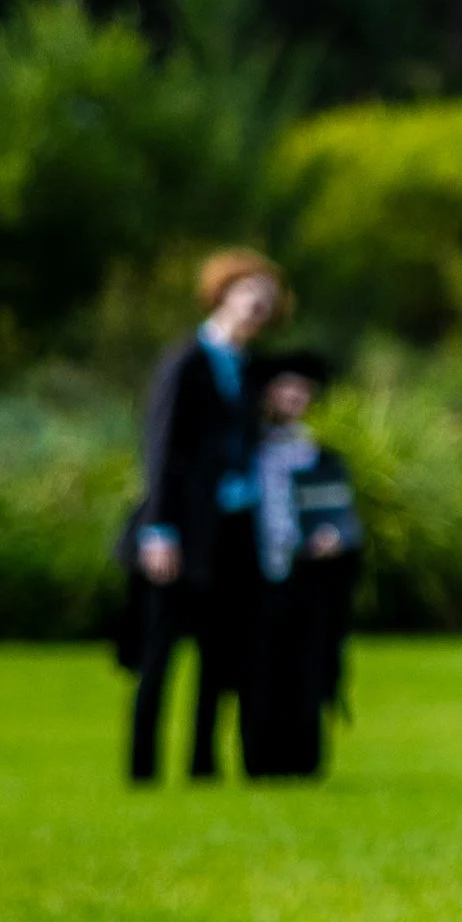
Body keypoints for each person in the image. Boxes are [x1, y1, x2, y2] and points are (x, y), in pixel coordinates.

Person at [117, 248, 285, 785]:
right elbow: (162, 451)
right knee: (160, 651)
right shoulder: (187, 361)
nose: (258, 304)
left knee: (221, 651)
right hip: (182, 529)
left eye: (266, 297)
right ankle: (143, 768)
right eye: (248, 292)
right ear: (223, 295)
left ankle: (203, 765)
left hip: (232, 529)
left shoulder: (250, 369)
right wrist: (160, 530)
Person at [238, 351, 365, 781]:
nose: (293, 397)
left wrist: (337, 539)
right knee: (259, 671)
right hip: (256, 579)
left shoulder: (322, 458)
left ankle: (305, 761)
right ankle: (259, 761)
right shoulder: (245, 453)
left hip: (310, 581)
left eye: (301, 390)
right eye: (284, 388)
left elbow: (345, 520)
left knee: (308, 667)